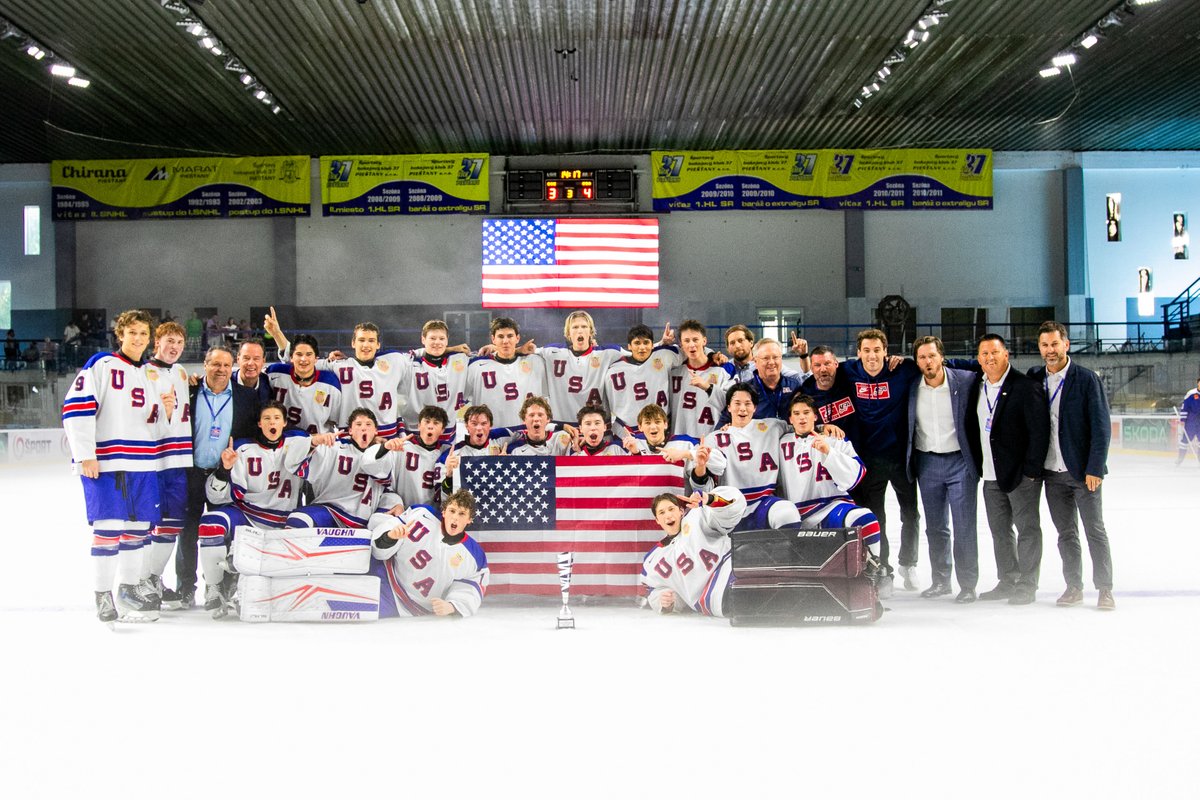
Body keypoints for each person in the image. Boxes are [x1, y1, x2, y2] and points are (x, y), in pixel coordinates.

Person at [62, 309, 175, 623]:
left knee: (138, 528)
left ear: (150, 339)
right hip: (108, 462)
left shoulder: (152, 374)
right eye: (132, 332)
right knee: (109, 527)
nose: (138, 338)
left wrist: (165, 413)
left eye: (143, 333)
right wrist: (85, 454)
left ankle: (127, 589)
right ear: (120, 334)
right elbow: (75, 407)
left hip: (143, 463)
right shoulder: (102, 364)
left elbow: (155, 427)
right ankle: (102, 595)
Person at [1028, 322, 1115, 610]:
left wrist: (1095, 468)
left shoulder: (1086, 379)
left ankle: (1104, 589)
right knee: (1066, 534)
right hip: (1051, 473)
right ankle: (1073, 587)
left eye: (1055, 344)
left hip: (1082, 472)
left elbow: (1101, 428)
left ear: (1066, 344)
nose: (1050, 350)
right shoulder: (1035, 378)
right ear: (1039, 348)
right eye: (1045, 345)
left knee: (1094, 531)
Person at [200, 401, 309, 615]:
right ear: (259, 423)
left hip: (283, 523)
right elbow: (214, 496)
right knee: (210, 522)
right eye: (267, 418)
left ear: (284, 423)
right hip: (247, 516)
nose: (272, 422)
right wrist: (224, 470)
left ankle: (242, 580)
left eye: (276, 418)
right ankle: (214, 586)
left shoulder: (299, 444)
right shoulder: (242, 448)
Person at [966, 333, 1050, 605]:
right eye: (984, 354)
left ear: (1006, 354)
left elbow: (1039, 432)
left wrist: (1031, 471)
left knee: (1027, 530)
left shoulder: (1025, 386)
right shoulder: (976, 387)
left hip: (1020, 475)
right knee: (1000, 531)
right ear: (978, 359)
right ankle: (1008, 579)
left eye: (994, 352)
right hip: (990, 476)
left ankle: (1027, 584)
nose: (989, 358)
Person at [175, 345, 261, 608]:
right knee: (187, 531)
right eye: (215, 364)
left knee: (221, 532)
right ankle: (185, 587)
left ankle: (219, 586)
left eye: (226, 365)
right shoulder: (189, 392)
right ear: (205, 365)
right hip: (192, 471)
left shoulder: (246, 397)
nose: (221, 370)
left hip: (223, 474)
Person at [840, 329, 922, 591]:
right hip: (870, 460)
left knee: (910, 513)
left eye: (877, 350)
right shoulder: (848, 371)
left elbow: (937, 364)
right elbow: (819, 377)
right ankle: (883, 568)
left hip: (900, 458)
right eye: (866, 350)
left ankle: (908, 563)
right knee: (877, 517)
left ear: (886, 352)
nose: (872, 356)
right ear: (858, 353)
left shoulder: (903, 370)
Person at [906, 336, 980, 603]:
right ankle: (941, 580)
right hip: (927, 463)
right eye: (922, 357)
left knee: (964, 526)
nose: (928, 361)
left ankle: (968, 584)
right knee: (936, 528)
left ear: (942, 357)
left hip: (960, 461)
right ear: (917, 362)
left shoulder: (965, 381)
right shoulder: (911, 386)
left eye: (932, 355)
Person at [691, 383, 800, 530]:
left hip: (763, 502)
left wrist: (823, 428)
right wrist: (700, 466)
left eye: (748, 403)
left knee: (787, 513)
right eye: (737, 403)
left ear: (755, 407)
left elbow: (802, 430)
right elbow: (702, 487)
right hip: (729, 506)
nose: (742, 408)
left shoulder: (773, 427)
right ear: (729, 407)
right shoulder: (713, 439)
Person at [368, 490, 489, 618]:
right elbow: (381, 534)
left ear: (469, 519)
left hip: (406, 607)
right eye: (452, 511)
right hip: (385, 573)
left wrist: (453, 605)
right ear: (444, 512)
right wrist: (390, 537)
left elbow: (471, 585)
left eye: (462, 513)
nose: (455, 517)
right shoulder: (422, 514)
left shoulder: (474, 556)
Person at [142, 321, 195, 609]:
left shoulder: (182, 372)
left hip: (179, 459)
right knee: (148, 523)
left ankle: (154, 578)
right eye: (169, 341)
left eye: (179, 342)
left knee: (173, 522)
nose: (174, 347)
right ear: (157, 343)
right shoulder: (143, 372)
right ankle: (140, 580)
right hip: (152, 459)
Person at [640, 486, 747, 617]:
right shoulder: (651, 561)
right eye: (661, 512)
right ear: (657, 520)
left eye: (671, 509)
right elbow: (658, 592)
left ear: (681, 511)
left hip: (739, 570)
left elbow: (736, 505)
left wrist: (710, 499)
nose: (668, 515)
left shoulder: (697, 517)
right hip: (720, 601)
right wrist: (663, 601)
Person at [285, 408, 395, 529]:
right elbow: (293, 463)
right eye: (358, 424)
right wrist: (314, 441)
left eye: (368, 424)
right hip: (330, 511)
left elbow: (389, 489)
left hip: (363, 520)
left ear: (375, 431)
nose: (363, 428)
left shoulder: (386, 455)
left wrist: (396, 503)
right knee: (299, 519)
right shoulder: (334, 447)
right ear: (350, 431)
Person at [534, 311, 627, 425]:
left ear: (591, 331)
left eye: (584, 326)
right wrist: (520, 350)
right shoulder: (552, 351)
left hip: (596, 427)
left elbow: (639, 353)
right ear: (568, 333)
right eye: (575, 327)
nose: (580, 330)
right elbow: (526, 351)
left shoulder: (609, 352)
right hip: (562, 427)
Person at [603, 323, 682, 440]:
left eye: (646, 343)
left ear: (652, 344)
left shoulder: (664, 355)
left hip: (661, 429)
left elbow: (692, 352)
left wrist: (711, 355)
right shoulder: (613, 370)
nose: (642, 347)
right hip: (628, 431)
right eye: (637, 343)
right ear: (629, 346)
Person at [466, 317, 547, 428]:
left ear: (517, 338)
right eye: (500, 336)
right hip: (489, 433)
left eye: (510, 336)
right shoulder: (476, 366)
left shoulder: (536, 362)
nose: (505, 341)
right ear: (493, 339)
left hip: (524, 432)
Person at [263, 333, 342, 434]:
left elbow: (337, 421)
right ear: (291, 357)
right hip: (283, 442)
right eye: (299, 354)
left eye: (309, 354)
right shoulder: (275, 373)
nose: (303, 359)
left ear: (316, 358)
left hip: (318, 443)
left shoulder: (331, 384)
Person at [668, 319, 731, 444]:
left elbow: (728, 406)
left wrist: (708, 387)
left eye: (695, 339)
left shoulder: (722, 371)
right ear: (681, 345)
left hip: (710, 441)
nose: (691, 345)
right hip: (679, 441)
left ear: (704, 341)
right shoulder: (674, 372)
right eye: (687, 341)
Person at [716, 338, 804, 426]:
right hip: (755, 435)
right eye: (766, 358)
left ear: (781, 359)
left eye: (775, 357)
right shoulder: (744, 391)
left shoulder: (794, 386)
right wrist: (726, 428)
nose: (771, 362)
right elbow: (723, 424)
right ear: (755, 362)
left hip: (788, 434)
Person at [379, 405, 452, 508]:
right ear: (419, 426)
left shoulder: (447, 453)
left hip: (431, 513)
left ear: (442, 430)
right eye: (427, 421)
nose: (430, 426)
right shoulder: (402, 447)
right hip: (402, 509)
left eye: (436, 423)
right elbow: (385, 480)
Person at [505, 395, 573, 455]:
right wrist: (504, 461)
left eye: (540, 415)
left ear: (548, 419)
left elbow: (573, 462)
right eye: (531, 415)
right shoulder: (515, 450)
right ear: (524, 420)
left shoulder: (561, 439)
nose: (536, 419)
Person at [233, 338, 272, 405]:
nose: (250, 363)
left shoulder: (267, 382)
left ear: (263, 361)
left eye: (256, 359)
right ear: (238, 359)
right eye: (246, 358)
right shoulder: (227, 383)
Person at [1177, 377, 1200, 465]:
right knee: (1185, 441)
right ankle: (1180, 459)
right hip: (1191, 422)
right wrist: (1182, 419)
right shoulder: (1191, 394)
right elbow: (1185, 407)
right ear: (1197, 383)